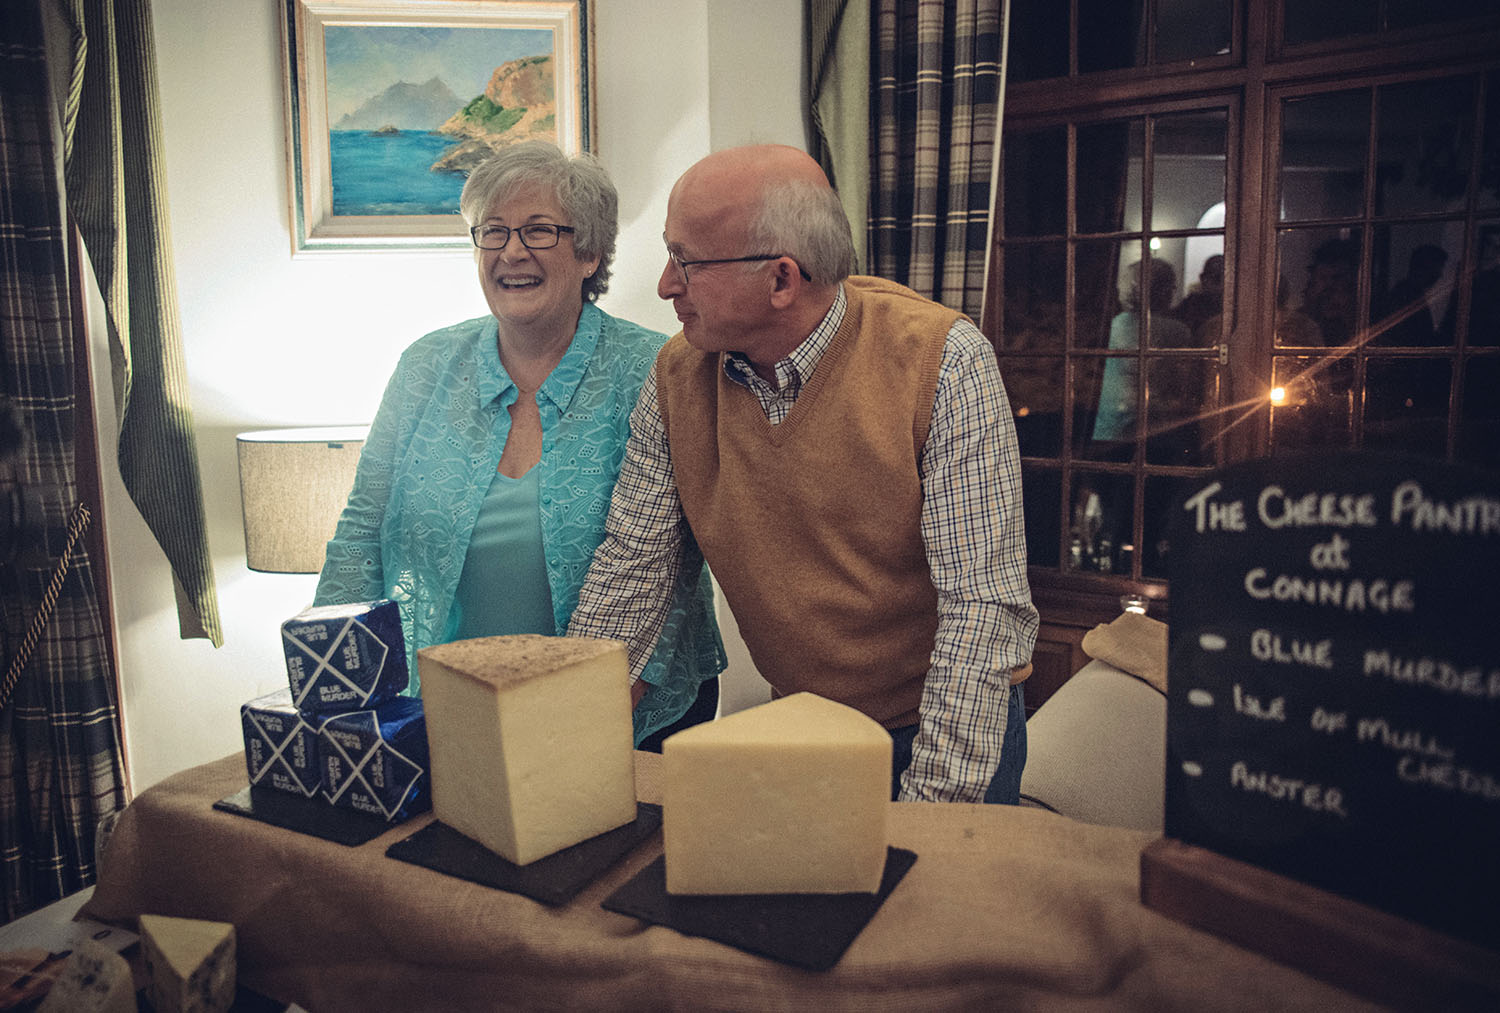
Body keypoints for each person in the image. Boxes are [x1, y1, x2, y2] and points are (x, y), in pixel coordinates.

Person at [567, 144, 1038, 804]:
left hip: (946, 721)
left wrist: (931, 813)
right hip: (806, 725)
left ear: (782, 280)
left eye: (687, 262)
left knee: (931, 904)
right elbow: (633, 565)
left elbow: (981, 609)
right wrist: (564, 741)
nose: (667, 285)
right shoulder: (677, 376)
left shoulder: (944, 362)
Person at [315, 141, 725, 749]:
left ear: (589, 253)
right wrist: (332, 687)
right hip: (449, 711)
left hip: (630, 713)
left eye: (538, 231)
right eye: (494, 232)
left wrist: (592, 715)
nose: (511, 252)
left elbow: (670, 562)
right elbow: (361, 530)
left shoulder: (657, 371)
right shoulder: (425, 366)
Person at [1091, 259, 1192, 446]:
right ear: (1163, 290)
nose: (1172, 292)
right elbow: (1181, 383)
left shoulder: (1114, 324)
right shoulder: (1175, 331)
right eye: (1171, 287)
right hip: (1150, 428)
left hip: (1106, 427)